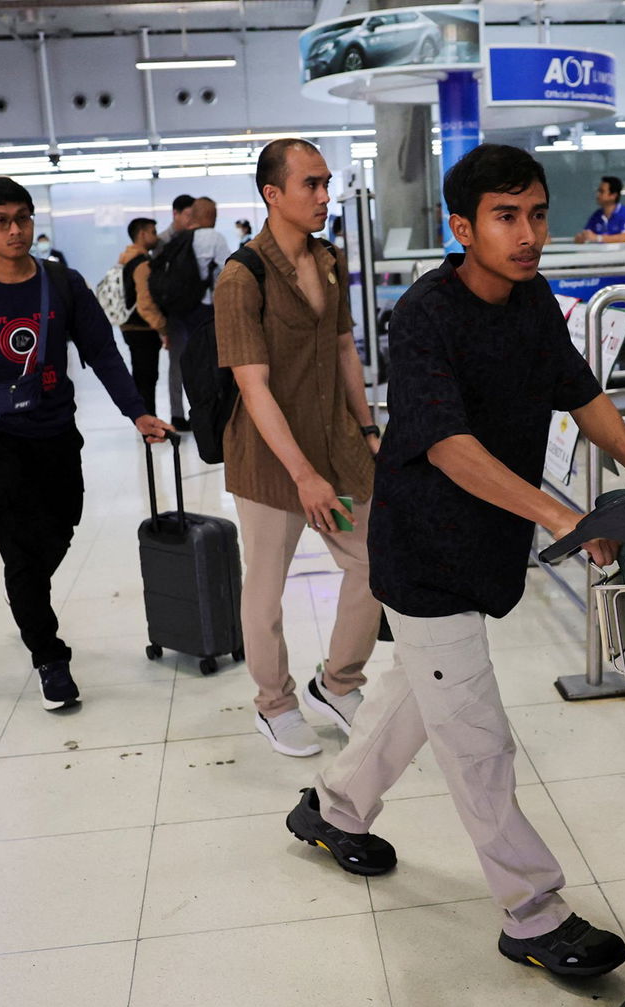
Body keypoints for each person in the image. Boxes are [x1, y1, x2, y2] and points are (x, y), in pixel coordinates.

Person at [286, 143, 625, 978]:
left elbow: (581, 387)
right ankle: (532, 911)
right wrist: (562, 513)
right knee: (477, 740)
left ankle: (334, 809)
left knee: (417, 696)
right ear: (462, 226)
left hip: (485, 546)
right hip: (424, 554)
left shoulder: (532, 301)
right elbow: (448, 446)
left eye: (536, 214)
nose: (528, 235)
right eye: (505, 217)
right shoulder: (425, 316)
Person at [0, 177, 171, 711]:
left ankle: (28, 593)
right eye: (1, 222)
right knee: (19, 548)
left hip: (57, 433)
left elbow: (104, 354)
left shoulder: (63, 284)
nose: (15, 230)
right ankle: (49, 655)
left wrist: (138, 411)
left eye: (22, 218)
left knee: (61, 526)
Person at [213, 139, 378, 758]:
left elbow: (343, 351)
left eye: (326, 182)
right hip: (268, 458)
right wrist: (303, 476)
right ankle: (274, 703)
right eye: (310, 184)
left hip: (336, 442)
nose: (323, 196)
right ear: (272, 194)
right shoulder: (241, 277)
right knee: (267, 586)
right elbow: (252, 388)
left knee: (372, 562)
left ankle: (338, 682)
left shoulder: (329, 260)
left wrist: (367, 429)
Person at [144, 195, 228, 432]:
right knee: (209, 363)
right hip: (204, 312)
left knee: (177, 364)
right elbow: (226, 274)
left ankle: (177, 415)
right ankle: (208, 415)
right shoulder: (215, 238)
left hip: (177, 313)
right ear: (212, 216)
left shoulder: (176, 240)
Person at [118, 217, 166, 417]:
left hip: (129, 325)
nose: (156, 237)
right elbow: (146, 302)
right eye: (153, 232)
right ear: (142, 234)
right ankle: (149, 421)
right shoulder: (142, 264)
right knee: (147, 377)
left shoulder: (125, 259)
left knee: (140, 376)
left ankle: (144, 419)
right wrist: (162, 328)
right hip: (143, 327)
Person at [574, 175, 625, 244]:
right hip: (601, 254)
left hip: (623, 254)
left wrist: (598, 238)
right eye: (598, 191)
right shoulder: (596, 215)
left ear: (613, 196)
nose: (598, 194)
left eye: (601, 191)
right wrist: (581, 238)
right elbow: (587, 234)